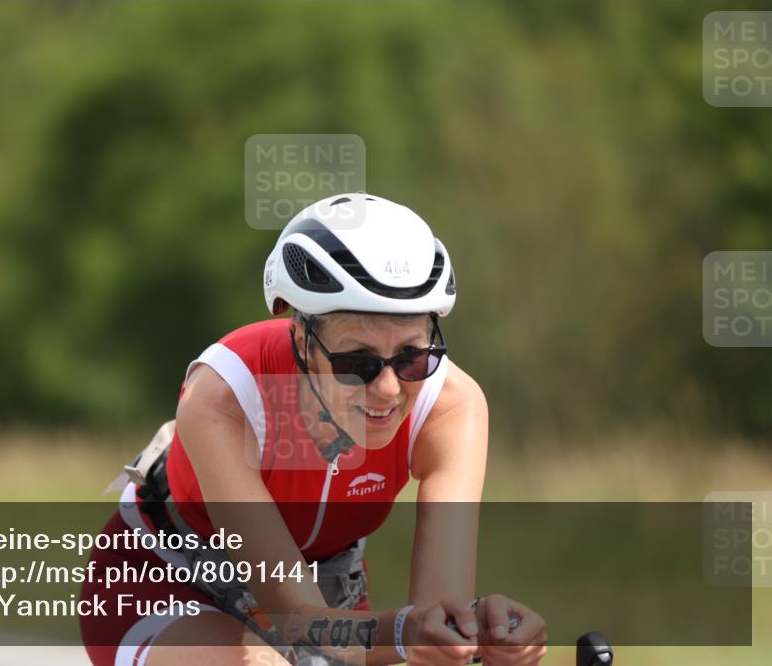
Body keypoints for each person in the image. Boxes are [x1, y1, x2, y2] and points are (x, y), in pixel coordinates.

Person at [81, 193, 547, 666]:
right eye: (357, 362)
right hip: (167, 582)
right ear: (302, 341)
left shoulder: (450, 407)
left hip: (328, 596)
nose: (387, 388)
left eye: (411, 356)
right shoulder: (226, 397)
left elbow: (434, 625)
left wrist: (474, 632)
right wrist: (408, 632)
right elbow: (297, 621)